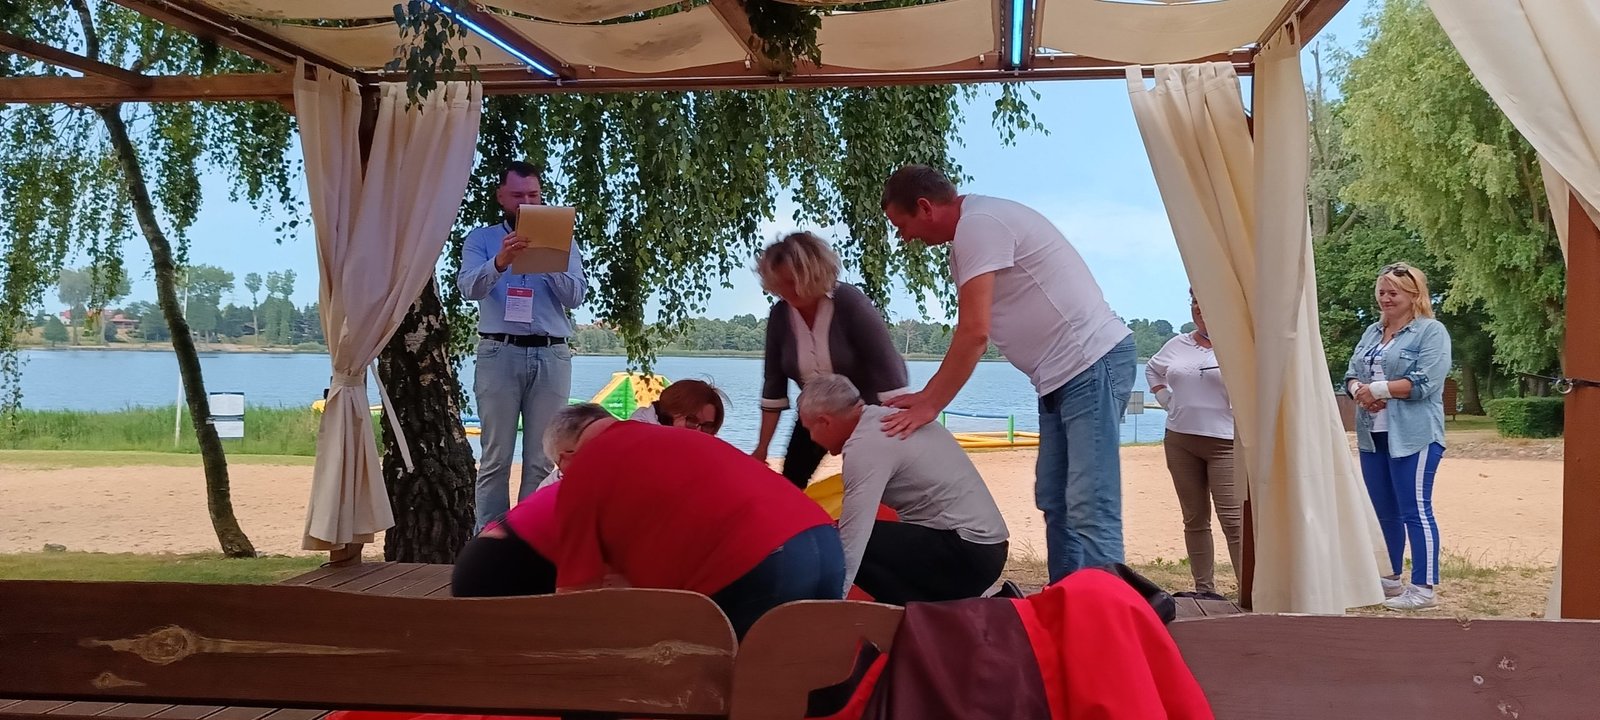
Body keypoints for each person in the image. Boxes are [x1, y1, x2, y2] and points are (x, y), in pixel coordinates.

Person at [877, 165, 1136, 583]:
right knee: (1055, 499)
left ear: (925, 207)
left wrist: (929, 403)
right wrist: (927, 398)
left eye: (901, 225)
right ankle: (1066, 600)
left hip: (1090, 361)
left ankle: (1109, 611)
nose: (903, 237)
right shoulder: (969, 236)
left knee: (1091, 503)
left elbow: (974, 333)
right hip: (1058, 376)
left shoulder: (979, 225)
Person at [545, 403, 845, 637]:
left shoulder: (584, 469)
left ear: (566, 457)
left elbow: (577, 599)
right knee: (809, 676)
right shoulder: (672, 437)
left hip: (758, 560)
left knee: (725, 683)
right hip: (825, 541)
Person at [798, 374, 1009, 605]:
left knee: (835, 539)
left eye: (810, 430)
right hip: (986, 549)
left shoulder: (866, 444)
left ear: (825, 421)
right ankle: (928, 610)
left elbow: (854, 534)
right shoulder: (885, 418)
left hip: (968, 552)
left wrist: (831, 602)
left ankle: (930, 611)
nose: (812, 439)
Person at [457, 161, 587, 532]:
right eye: (517, 195)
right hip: (499, 352)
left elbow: (576, 296)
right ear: (501, 197)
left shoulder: (564, 240)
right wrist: (501, 261)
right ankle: (490, 542)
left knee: (542, 459)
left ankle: (529, 540)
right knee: (495, 458)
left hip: (551, 353)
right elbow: (468, 288)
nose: (526, 203)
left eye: (533, 195)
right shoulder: (481, 239)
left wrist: (548, 259)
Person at [752, 232, 910, 489]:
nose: (787, 292)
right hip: (816, 415)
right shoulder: (780, 315)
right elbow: (773, 386)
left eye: (792, 282)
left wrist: (900, 429)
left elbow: (889, 374)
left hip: (865, 414)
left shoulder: (851, 303)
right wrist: (762, 448)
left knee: (871, 482)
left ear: (814, 274)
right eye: (779, 284)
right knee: (791, 482)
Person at [1345, 262, 1451, 611]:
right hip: (1373, 433)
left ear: (1414, 295)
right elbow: (1350, 373)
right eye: (1381, 292)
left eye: (1394, 292)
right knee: (1383, 511)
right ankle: (1389, 579)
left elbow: (1426, 381)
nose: (1386, 298)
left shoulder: (1431, 332)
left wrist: (1378, 389)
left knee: (1415, 509)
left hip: (1414, 435)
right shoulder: (1371, 332)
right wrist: (1359, 390)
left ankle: (1423, 588)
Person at [1145, 290, 1241, 601]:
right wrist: (1164, 398)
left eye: (1205, 300)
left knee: (1233, 521)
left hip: (1225, 443)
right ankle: (1204, 590)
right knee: (1195, 518)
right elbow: (1152, 369)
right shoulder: (1178, 344)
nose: (1200, 308)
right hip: (1181, 440)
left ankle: (1249, 591)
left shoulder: (1238, 343)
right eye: (1195, 302)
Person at [532, 379, 728, 493]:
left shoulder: (674, 448)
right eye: (692, 422)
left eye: (708, 427)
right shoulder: (638, 447)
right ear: (669, 415)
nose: (699, 432)